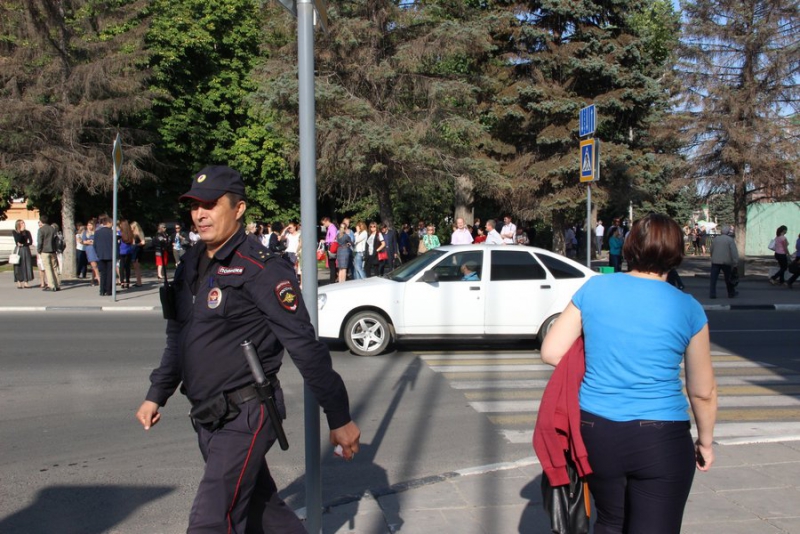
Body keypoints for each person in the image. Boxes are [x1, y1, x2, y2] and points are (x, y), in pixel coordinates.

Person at [135, 165, 360, 534]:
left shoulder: (262, 269)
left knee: (211, 519)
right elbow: (180, 335)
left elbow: (305, 347)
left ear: (238, 209)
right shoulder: (191, 262)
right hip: (207, 415)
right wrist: (157, 393)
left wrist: (339, 417)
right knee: (261, 510)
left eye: (211, 204)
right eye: (194, 206)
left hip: (246, 414)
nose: (200, 214)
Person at [540, 213, 717, 534]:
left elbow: (551, 351)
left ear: (630, 245)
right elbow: (702, 391)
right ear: (677, 251)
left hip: (596, 430)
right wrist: (705, 443)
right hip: (661, 436)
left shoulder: (595, 288)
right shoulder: (688, 307)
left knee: (610, 522)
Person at [709, 225, 739, 299]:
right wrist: (735, 262)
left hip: (715, 261)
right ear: (728, 232)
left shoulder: (716, 239)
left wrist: (712, 256)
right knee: (728, 278)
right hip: (726, 261)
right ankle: (730, 293)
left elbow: (711, 249)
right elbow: (734, 252)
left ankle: (712, 294)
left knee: (713, 279)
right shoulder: (730, 240)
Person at [37, 216, 60, 292]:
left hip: (45, 250)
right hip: (53, 250)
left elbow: (40, 242)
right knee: (54, 268)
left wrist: (39, 250)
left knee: (48, 268)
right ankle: (57, 284)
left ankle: (51, 285)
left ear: (41, 221)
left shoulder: (41, 230)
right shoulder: (52, 229)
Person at [94, 215, 114, 296]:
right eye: (111, 223)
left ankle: (102, 290)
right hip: (110, 255)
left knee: (103, 273)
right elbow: (115, 245)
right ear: (108, 223)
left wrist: (98, 253)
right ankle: (109, 290)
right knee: (110, 273)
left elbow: (95, 245)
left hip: (101, 255)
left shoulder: (97, 232)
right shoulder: (112, 232)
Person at [12, 219, 34, 289]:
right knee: (18, 265)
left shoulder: (27, 232)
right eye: (21, 223)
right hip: (18, 250)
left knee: (27, 264)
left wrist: (24, 244)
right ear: (18, 224)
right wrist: (21, 232)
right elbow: (17, 241)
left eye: (23, 223)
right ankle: (19, 281)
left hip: (25, 249)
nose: (23, 224)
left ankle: (26, 282)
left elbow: (30, 242)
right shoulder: (15, 232)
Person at [82, 220, 101, 286]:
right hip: (90, 249)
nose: (89, 226)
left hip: (96, 249)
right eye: (88, 225)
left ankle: (93, 280)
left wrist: (93, 242)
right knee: (94, 265)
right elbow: (83, 241)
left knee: (95, 265)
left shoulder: (96, 232)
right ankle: (99, 280)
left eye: (90, 225)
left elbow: (98, 240)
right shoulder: (85, 232)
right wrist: (88, 242)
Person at [118, 219, 134, 289]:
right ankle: (127, 281)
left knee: (121, 267)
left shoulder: (120, 233)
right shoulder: (130, 233)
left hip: (121, 251)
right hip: (129, 251)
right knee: (127, 267)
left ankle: (122, 282)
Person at [130, 221, 146, 287]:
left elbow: (143, 242)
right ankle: (138, 281)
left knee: (137, 267)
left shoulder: (139, 233)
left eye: (132, 228)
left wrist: (136, 245)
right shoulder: (134, 234)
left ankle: (139, 282)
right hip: (136, 250)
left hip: (138, 250)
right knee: (136, 267)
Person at [322, 216, 338, 283]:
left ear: (327, 221)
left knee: (332, 264)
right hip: (330, 246)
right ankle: (333, 278)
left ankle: (332, 280)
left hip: (331, 247)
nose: (324, 225)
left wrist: (325, 241)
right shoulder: (330, 227)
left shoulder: (332, 228)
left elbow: (333, 238)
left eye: (324, 223)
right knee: (331, 264)